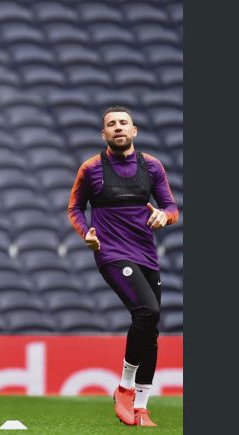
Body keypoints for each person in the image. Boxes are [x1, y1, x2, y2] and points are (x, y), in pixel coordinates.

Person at [67, 106, 179, 427]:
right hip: (112, 253)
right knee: (147, 311)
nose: (118, 127)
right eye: (112, 124)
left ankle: (141, 408)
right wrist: (86, 233)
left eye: (123, 123)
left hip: (146, 254)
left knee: (151, 329)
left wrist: (164, 216)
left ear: (134, 130)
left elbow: (170, 206)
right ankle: (125, 387)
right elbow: (75, 207)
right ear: (104, 134)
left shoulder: (152, 166)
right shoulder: (91, 168)